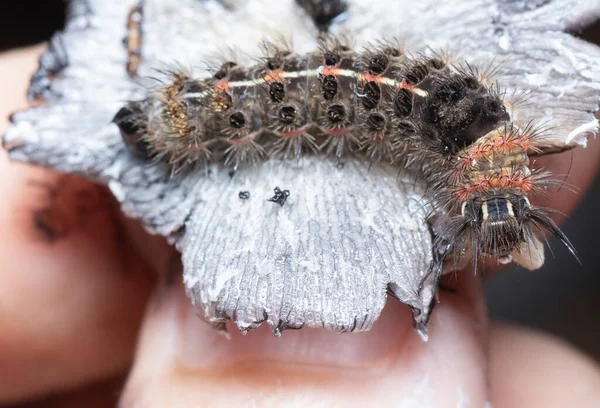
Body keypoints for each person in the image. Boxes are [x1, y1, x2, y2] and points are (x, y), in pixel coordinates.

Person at [1, 45, 600, 408]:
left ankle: (178, 116)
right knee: (299, 92)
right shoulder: (447, 115)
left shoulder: (461, 126)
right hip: (221, 108)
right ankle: (176, 118)